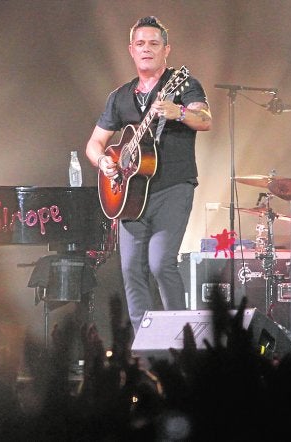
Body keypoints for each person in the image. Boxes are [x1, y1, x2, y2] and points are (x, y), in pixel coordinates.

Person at [85, 16, 212, 333]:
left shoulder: (181, 84)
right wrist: (104, 162)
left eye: (154, 43)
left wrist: (178, 112)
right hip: (130, 195)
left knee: (160, 263)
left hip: (173, 187)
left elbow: (205, 118)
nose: (147, 49)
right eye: (140, 44)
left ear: (166, 49)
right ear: (131, 50)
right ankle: (145, 344)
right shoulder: (120, 96)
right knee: (130, 268)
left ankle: (183, 339)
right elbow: (94, 144)